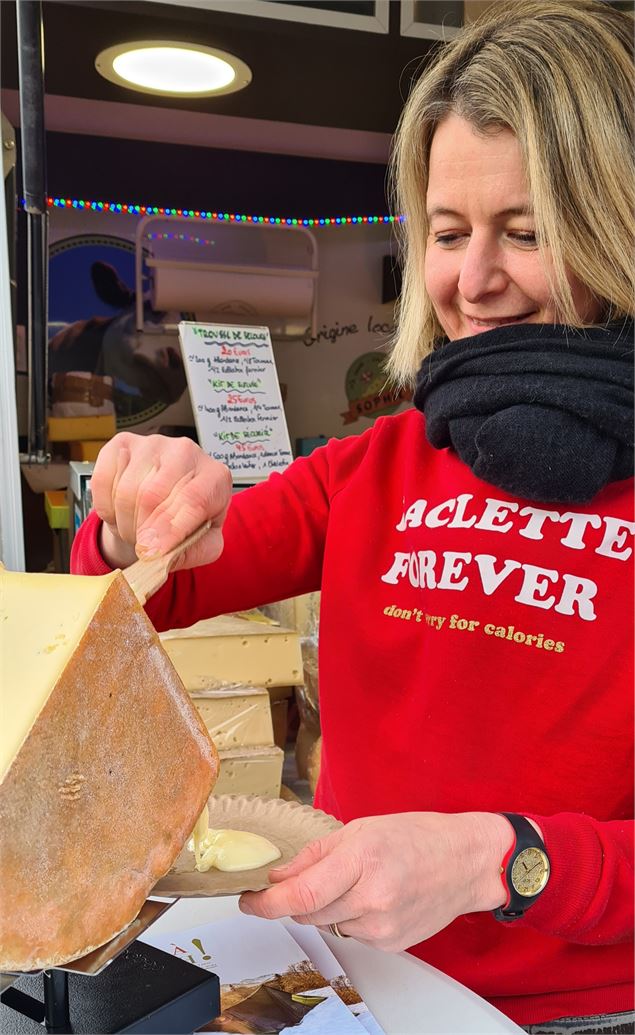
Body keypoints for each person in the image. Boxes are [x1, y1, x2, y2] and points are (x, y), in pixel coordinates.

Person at [71, 1, 634, 1031]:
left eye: (525, 233)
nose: (472, 282)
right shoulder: (376, 463)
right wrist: (130, 513)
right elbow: (140, 596)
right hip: (356, 980)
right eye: (449, 233)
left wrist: (496, 858)